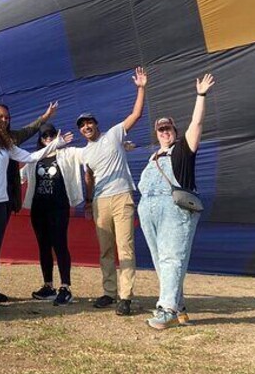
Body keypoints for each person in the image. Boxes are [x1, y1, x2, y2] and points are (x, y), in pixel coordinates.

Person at [0, 106, 73, 316]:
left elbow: (31, 157)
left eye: (4, 119)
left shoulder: (7, 145)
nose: (1, 122)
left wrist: (56, 144)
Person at [138, 73, 214, 330]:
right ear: (156, 133)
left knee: (172, 258)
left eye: (168, 128)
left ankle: (167, 309)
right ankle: (178, 304)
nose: (164, 132)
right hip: (148, 209)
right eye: (160, 129)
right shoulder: (153, 157)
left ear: (174, 131)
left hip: (175, 209)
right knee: (161, 261)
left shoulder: (184, 148)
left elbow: (197, 123)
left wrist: (200, 96)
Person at [78, 66, 147, 317]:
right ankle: (109, 292)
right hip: (100, 201)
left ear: (96, 124)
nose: (86, 127)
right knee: (106, 249)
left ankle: (125, 296)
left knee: (125, 246)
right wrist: (88, 202)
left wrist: (141, 88)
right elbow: (89, 176)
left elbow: (136, 114)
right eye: (82, 126)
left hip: (121, 197)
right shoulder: (85, 152)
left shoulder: (114, 134)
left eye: (89, 123)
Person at [21, 123, 84, 306]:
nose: (48, 138)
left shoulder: (67, 153)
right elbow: (19, 176)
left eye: (51, 134)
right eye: (44, 135)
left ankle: (65, 287)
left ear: (57, 135)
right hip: (38, 209)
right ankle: (48, 285)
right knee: (43, 246)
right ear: (40, 139)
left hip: (59, 207)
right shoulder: (34, 159)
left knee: (60, 244)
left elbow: (89, 153)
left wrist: (117, 145)